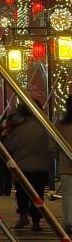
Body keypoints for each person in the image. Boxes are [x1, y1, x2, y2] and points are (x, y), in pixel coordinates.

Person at [6, 102, 51, 232]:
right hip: (41, 167)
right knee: (38, 194)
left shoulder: (19, 129)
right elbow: (51, 146)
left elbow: (10, 145)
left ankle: (23, 215)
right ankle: (36, 221)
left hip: (22, 167)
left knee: (22, 194)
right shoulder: (44, 127)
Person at [49, 94, 72, 233]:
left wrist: (57, 156)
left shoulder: (61, 124)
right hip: (65, 163)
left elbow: (53, 143)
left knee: (68, 195)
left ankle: (69, 221)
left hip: (66, 165)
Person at [0, 114, 12, 196]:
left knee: (8, 174)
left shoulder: (11, 131)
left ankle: (7, 190)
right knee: (0, 174)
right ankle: (1, 190)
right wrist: (1, 136)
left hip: (8, 156)